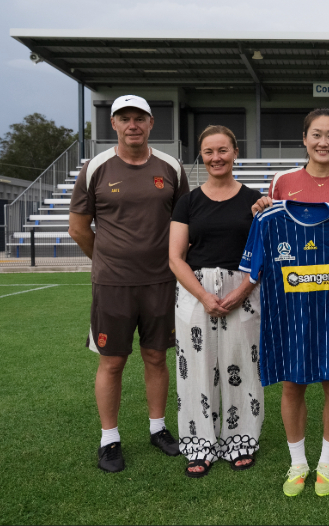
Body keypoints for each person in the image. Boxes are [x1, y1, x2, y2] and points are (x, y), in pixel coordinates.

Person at [248, 108, 329, 497]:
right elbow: (264, 235)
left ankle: (327, 464)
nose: (323, 142)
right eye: (316, 135)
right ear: (304, 139)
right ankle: (297, 462)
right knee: (293, 384)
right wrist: (259, 211)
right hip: (290, 309)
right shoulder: (282, 182)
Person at [68, 95, 189, 473]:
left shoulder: (170, 166)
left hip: (161, 282)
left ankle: (158, 429)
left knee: (156, 356)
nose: (132, 124)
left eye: (140, 118)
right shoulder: (95, 168)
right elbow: (78, 228)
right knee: (113, 361)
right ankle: (109, 439)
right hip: (113, 285)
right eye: (125, 118)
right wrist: (106, 261)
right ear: (114, 124)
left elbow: (184, 222)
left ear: (152, 124)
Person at [169, 125, 264, 478]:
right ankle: (199, 442)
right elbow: (175, 257)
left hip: (244, 289)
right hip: (196, 291)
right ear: (202, 156)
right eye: (209, 152)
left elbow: (262, 256)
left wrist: (239, 293)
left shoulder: (254, 200)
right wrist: (205, 295)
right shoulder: (188, 202)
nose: (216, 158)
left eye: (223, 150)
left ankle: (240, 438)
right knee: (195, 369)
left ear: (235, 153)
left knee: (241, 367)